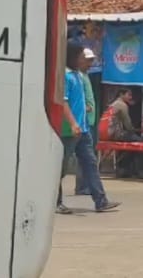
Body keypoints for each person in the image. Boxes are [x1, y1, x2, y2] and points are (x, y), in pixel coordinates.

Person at [57, 42, 121, 215]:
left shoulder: (78, 75)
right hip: (69, 130)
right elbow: (63, 102)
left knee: (91, 164)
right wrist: (72, 123)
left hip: (82, 129)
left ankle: (100, 200)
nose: (82, 60)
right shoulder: (65, 75)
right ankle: (56, 201)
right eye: (80, 57)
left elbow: (77, 100)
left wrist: (85, 110)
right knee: (61, 167)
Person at [75, 48, 97, 196]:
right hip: (81, 122)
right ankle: (83, 186)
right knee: (86, 157)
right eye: (88, 60)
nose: (90, 63)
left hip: (88, 121)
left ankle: (85, 186)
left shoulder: (85, 76)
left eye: (91, 60)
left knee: (87, 157)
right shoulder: (76, 76)